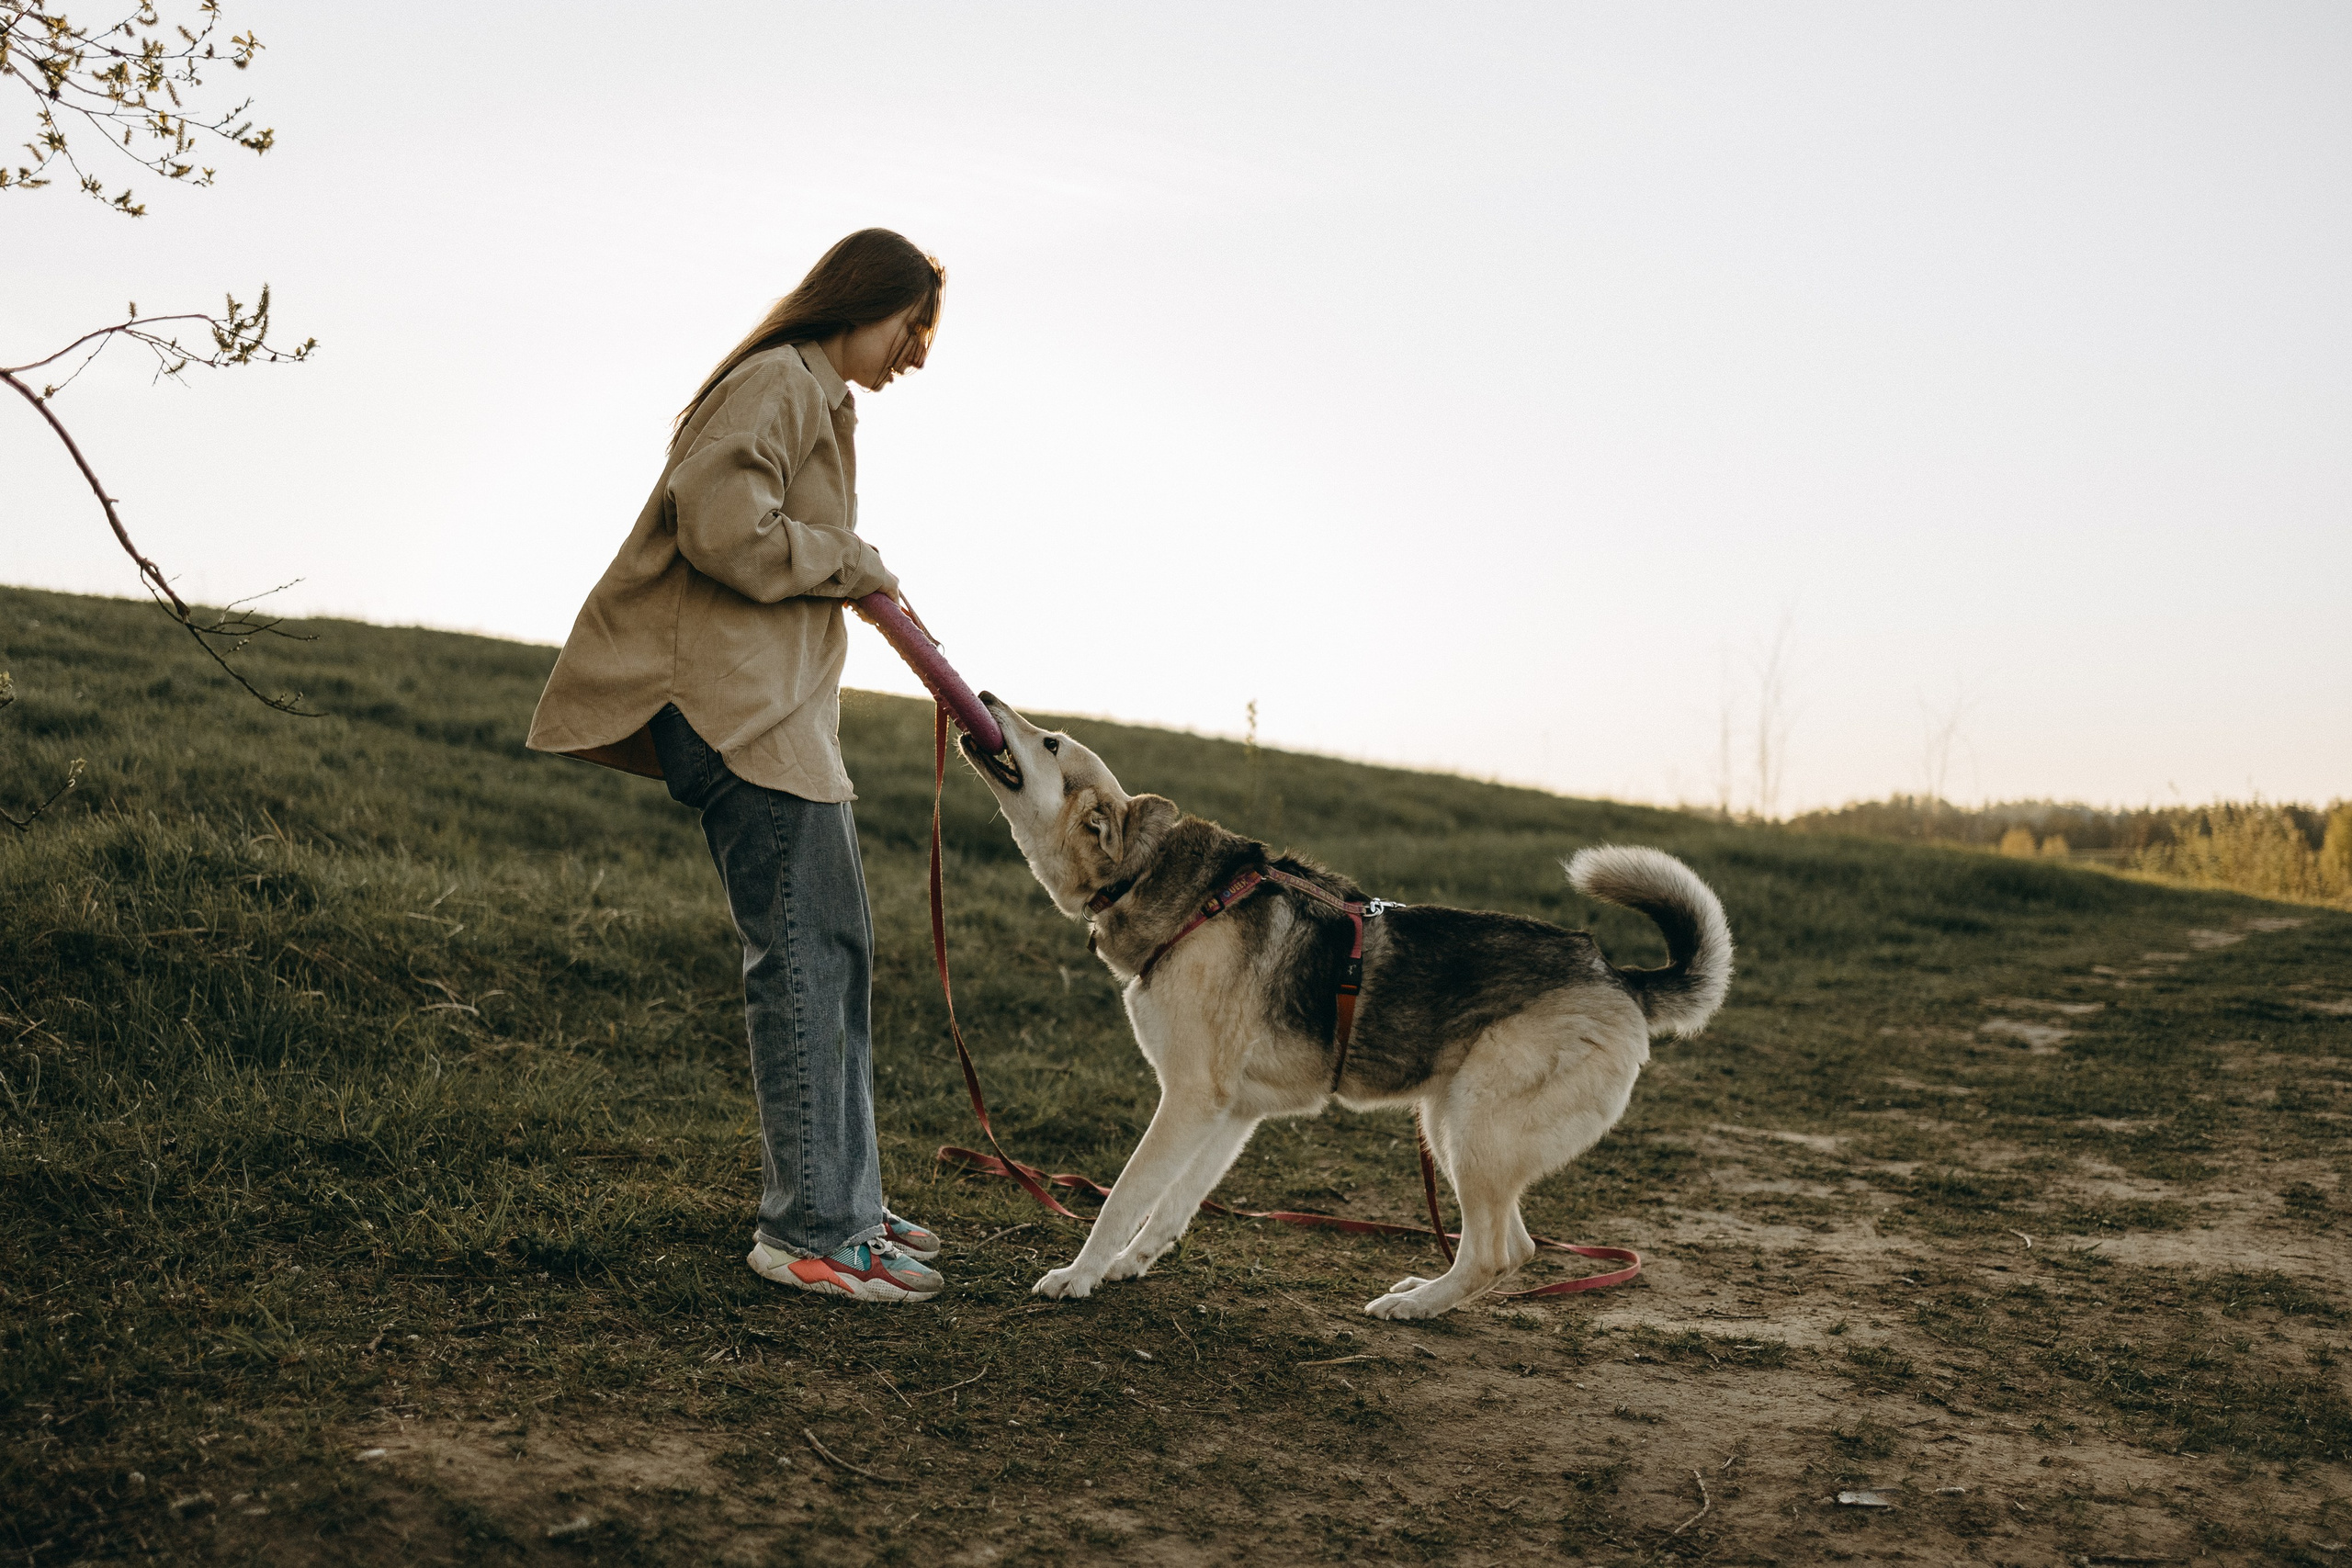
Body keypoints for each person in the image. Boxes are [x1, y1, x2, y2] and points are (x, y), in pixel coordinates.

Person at [526, 229, 948, 1303]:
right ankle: (810, 1226)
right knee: (804, 958)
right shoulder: (776, 382)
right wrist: (850, 561)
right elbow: (723, 526)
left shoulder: (815, 396)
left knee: (836, 953)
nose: (917, 352)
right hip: (733, 712)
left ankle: (844, 1197)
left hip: (781, 718)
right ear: (867, 301)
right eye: (913, 325)